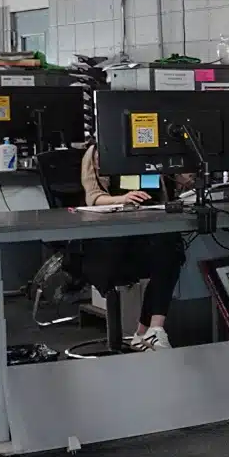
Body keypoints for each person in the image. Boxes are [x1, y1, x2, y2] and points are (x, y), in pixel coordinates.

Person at [76, 145, 186, 350]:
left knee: (169, 247)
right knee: (167, 251)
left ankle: (151, 330)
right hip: (109, 241)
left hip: (148, 235)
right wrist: (124, 198)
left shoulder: (158, 147)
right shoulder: (99, 151)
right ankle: (147, 332)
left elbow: (181, 183)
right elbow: (94, 197)